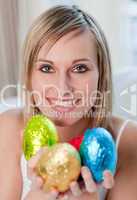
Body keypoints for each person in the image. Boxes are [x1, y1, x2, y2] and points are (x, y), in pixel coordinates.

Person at [0, 4, 137, 200]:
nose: (63, 88)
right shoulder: (7, 128)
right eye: (47, 68)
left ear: (101, 74)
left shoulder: (129, 141)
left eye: (79, 68)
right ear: (29, 76)